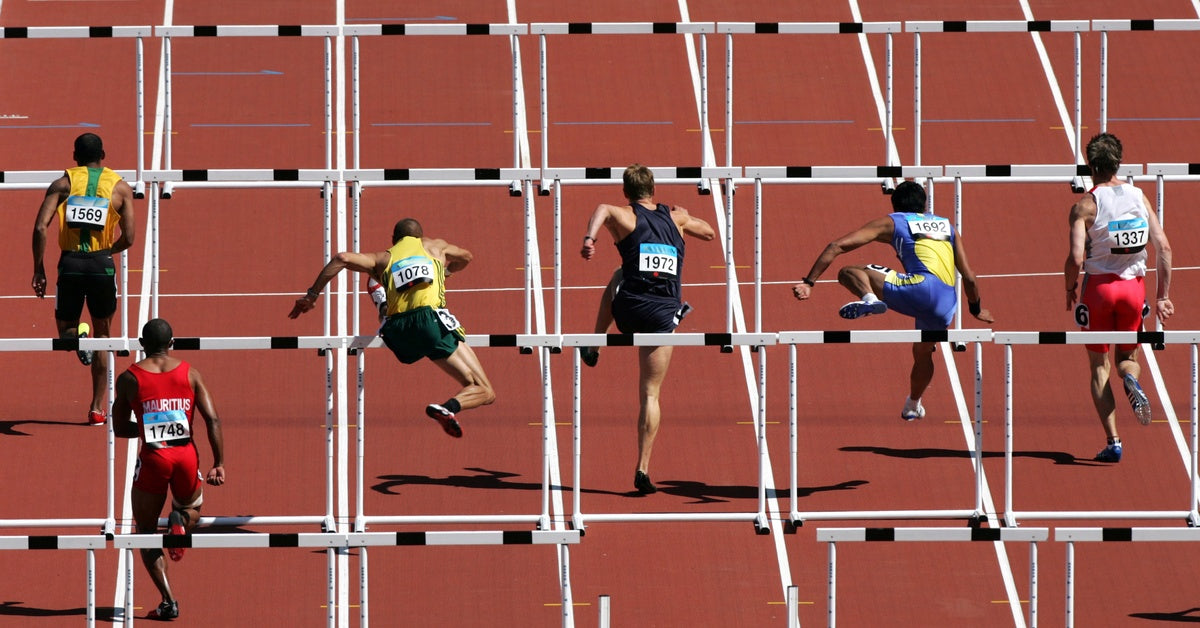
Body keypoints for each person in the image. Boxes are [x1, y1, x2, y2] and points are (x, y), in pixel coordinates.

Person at [792, 180, 994, 420]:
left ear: (894, 204)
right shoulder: (947, 226)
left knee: (849, 271)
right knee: (923, 353)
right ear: (924, 204)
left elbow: (837, 246)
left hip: (917, 288)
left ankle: (868, 298)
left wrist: (809, 282)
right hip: (946, 304)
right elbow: (969, 277)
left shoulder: (894, 221)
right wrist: (976, 309)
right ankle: (912, 404)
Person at [289, 218, 494, 437]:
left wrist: (312, 296)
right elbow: (467, 257)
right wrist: (445, 271)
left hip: (398, 333)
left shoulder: (382, 258)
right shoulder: (435, 246)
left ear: (393, 240)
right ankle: (447, 409)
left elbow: (341, 258)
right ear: (421, 236)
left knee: (467, 380)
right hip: (429, 323)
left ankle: (383, 303)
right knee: (486, 391)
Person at [580, 164, 715, 494]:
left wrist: (589, 238)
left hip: (628, 312)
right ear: (653, 189)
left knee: (617, 275)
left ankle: (596, 344)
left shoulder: (625, 215)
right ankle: (642, 467)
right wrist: (684, 214)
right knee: (650, 393)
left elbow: (601, 209)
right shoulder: (676, 218)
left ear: (626, 193)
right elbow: (710, 232)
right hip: (662, 318)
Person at [1065, 132, 1173, 463]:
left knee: (1099, 367)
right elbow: (1165, 249)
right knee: (1128, 357)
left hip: (1098, 290)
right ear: (1119, 162)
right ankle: (1130, 378)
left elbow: (1076, 259)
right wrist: (1162, 297)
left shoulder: (1084, 206)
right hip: (1133, 290)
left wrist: (1069, 286)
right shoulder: (1139, 197)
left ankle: (1113, 441)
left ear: (1089, 165)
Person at [111, 319, 226, 621]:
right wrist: (218, 463)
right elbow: (213, 419)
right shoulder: (191, 373)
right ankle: (182, 520)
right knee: (193, 507)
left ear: (141, 343)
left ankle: (168, 601)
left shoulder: (128, 378)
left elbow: (119, 426)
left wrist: (150, 428)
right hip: (186, 455)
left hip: (153, 458)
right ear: (172, 343)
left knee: (145, 532)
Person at [32, 133, 136, 425]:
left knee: (64, 330)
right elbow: (129, 238)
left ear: (74, 156)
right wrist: (107, 251)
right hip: (102, 266)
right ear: (103, 154)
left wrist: (38, 268)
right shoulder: (121, 188)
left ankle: (74, 337)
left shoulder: (62, 184)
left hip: (71, 264)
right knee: (103, 337)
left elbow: (41, 228)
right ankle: (96, 408)